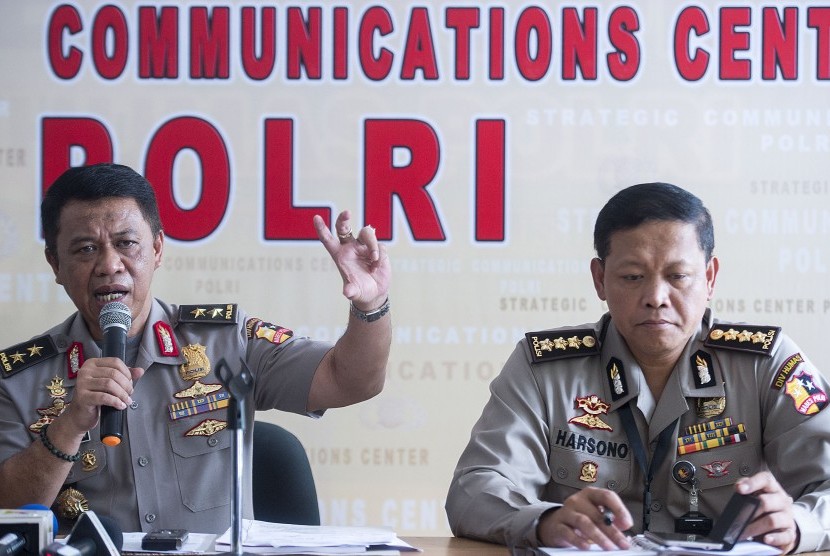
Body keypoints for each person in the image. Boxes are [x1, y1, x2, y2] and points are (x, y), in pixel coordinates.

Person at [0, 162, 391, 534]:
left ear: (156, 250)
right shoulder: (18, 379)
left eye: (126, 243)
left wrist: (370, 306)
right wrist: (68, 426)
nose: (109, 265)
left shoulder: (226, 338)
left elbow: (350, 381)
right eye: (85, 249)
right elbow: (8, 512)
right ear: (55, 264)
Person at [446, 182, 830, 554]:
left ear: (710, 277)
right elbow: (474, 490)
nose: (656, 298)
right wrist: (544, 522)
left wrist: (798, 524)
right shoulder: (544, 369)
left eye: (678, 277)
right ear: (600, 279)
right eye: (633, 277)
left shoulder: (765, 364)